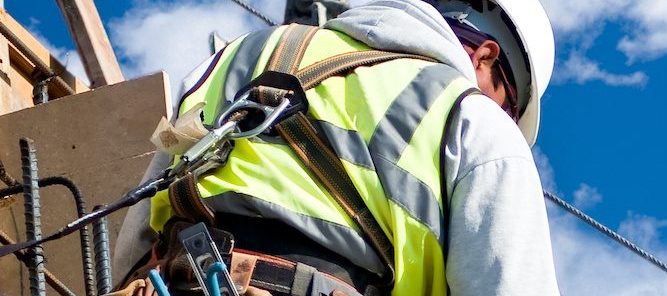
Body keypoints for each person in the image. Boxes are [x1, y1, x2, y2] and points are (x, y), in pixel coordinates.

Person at [113, 0, 558, 295]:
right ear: (485, 57)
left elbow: (141, 222)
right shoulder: (471, 117)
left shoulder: (245, 52)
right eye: (510, 107)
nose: (505, 118)